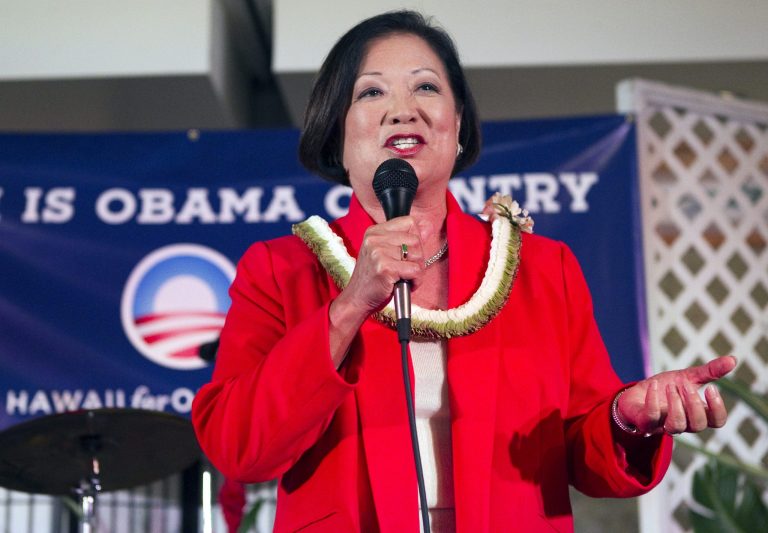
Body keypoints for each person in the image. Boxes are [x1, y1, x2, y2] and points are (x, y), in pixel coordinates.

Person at [191, 10, 736, 532]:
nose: (403, 109)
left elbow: (584, 450)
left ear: (457, 125)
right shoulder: (280, 270)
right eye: (371, 91)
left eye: (426, 87)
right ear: (338, 133)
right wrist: (349, 305)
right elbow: (239, 448)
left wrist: (625, 417)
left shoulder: (545, 270)